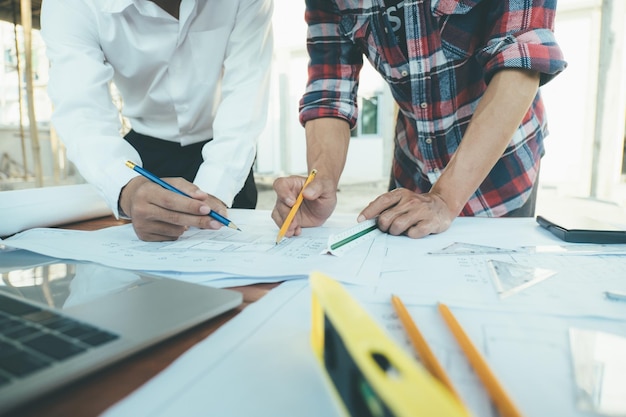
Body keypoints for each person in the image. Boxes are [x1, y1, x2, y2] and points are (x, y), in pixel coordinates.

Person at [272, 0, 566, 239]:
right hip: (412, 168)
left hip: (503, 169)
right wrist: (321, 179)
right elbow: (330, 90)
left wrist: (444, 199)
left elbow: (520, 59)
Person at [40, 0, 273, 241]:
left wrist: (217, 186)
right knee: (145, 269)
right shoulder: (71, 4)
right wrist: (126, 188)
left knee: (230, 255)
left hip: (226, 151)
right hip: (142, 162)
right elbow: (82, 110)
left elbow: (247, 90)